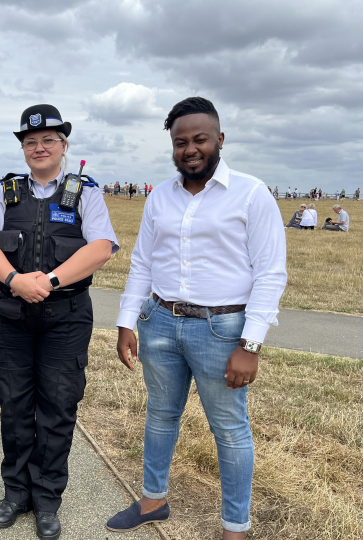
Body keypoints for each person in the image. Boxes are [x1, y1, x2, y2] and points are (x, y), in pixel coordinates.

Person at [106, 97, 286, 540]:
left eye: (199, 139)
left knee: (229, 430)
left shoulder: (250, 193)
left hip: (222, 330)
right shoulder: (159, 197)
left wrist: (251, 345)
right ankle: (153, 501)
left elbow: (270, 273)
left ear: (219, 140)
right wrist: (127, 321)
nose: (190, 149)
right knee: (160, 416)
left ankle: (234, 528)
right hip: (160, 322)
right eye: (180, 141)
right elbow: (142, 264)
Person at [0, 104, 118, 540]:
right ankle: (16, 492)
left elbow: (102, 247)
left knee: (57, 408)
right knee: (15, 406)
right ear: (23, 148)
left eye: (48, 140)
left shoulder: (85, 192)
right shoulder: (7, 191)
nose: (39, 147)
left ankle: (48, 498)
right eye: (31, 142)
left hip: (65, 319)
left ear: (63, 146)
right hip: (13, 318)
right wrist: (15, 280)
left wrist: (49, 281)